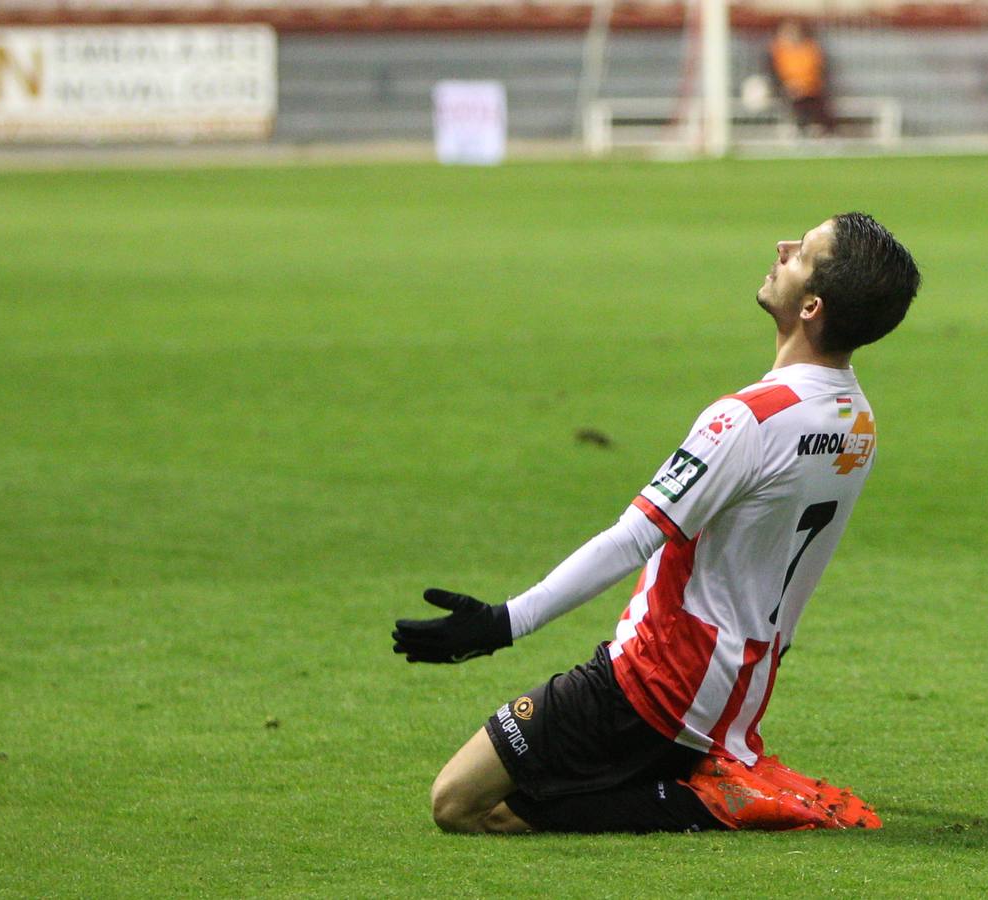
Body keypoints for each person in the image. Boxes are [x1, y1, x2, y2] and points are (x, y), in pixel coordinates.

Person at [392, 213, 921, 834]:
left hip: (655, 680)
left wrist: (503, 623)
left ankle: (703, 804)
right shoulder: (857, 421)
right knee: (525, 799)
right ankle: (688, 780)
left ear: (810, 306)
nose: (780, 248)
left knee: (458, 803)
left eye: (801, 253)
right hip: (736, 693)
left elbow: (635, 536)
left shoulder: (747, 420)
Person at [769, 20, 835, 135]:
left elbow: (818, 73)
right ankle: (801, 127)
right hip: (785, 90)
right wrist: (786, 86)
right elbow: (772, 74)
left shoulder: (810, 50)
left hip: (810, 90)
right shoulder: (776, 52)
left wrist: (804, 86)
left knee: (810, 99)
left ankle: (817, 128)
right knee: (793, 97)